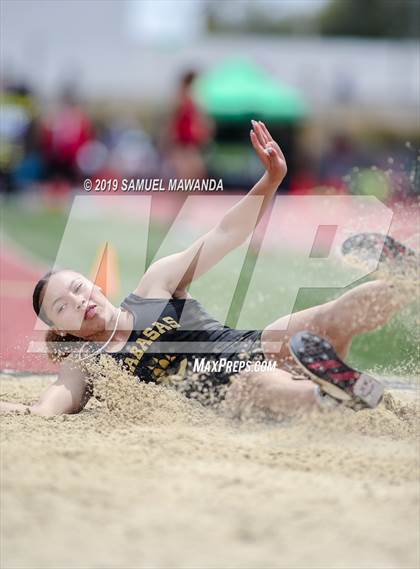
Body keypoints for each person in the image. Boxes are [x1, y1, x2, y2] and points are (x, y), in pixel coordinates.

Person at [0, 122, 413, 417]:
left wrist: (270, 181)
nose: (78, 299)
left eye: (76, 286)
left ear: (93, 283)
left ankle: (404, 283)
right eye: (62, 305)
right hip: (229, 396)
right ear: (64, 330)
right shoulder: (90, 363)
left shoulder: (154, 286)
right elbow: (49, 407)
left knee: (326, 319)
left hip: (253, 345)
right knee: (255, 381)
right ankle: (337, 397)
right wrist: (16, 408)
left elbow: (225, 234)